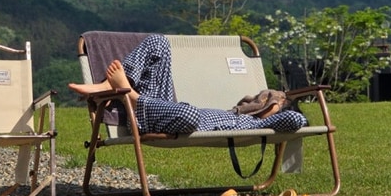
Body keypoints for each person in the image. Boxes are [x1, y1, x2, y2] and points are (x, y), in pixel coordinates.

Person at [69, 33, 307, 135]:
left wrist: (276, 106)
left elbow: (297, 120)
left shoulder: (255, 125)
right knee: (158, 42)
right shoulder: (238, 111)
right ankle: (111, 87)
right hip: (158, 113)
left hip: (163, 119)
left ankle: (127, 92)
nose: (261, 99)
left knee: (190, 113)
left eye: (271, 100)